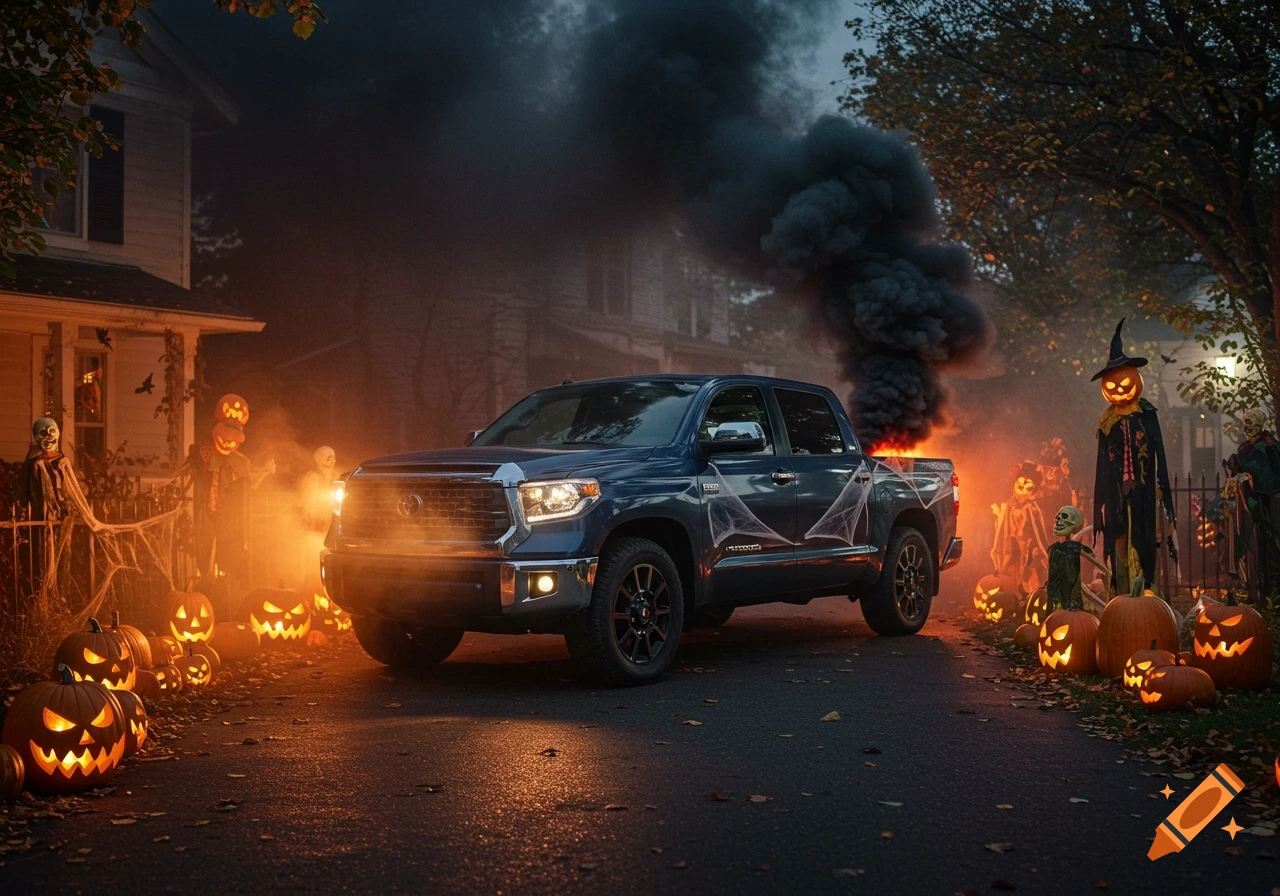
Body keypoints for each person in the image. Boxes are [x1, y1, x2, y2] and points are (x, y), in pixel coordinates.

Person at [1091, 319, 1174, 595]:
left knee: (1143, 538)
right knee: (1119, 539)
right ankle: (1122, 594)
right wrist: (1101, 499)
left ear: (1135, 378)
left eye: (1124, 380)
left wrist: (1161, 486)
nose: (1118, 387)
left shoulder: (1146, 413)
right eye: (1111, 384)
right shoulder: (1107, 420)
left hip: (1142, 490)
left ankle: (1147, 591)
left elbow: (1158, 450)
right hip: (1116, 493)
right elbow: (1102, 465)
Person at [1224, 408, 1280, 604]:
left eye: (1250, 422)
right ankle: (1257, 590)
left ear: (1259, 424)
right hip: (1249, 505)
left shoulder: (1269, 447)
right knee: (1254, 549)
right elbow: (1241, 470)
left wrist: (1258, 482)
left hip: (1269, 504)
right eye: (1244, 422)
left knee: (1271, 546)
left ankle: (1272, 591)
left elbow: (1273, 474)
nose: (1245, 427)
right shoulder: (1244, 449)